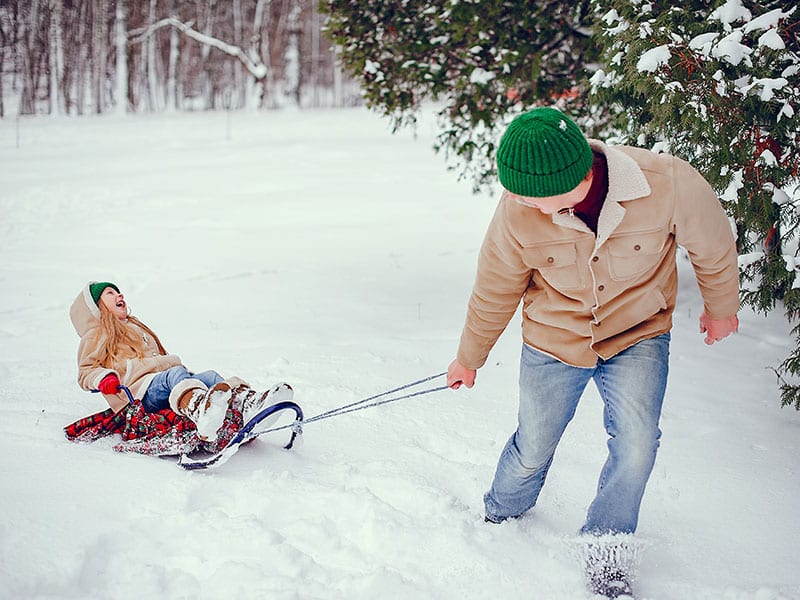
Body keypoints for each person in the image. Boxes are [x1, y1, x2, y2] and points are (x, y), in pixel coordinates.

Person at [446, 108, 739, 597]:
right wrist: (469, 356)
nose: (520, 203)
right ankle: (503, 512)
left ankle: (606, 545)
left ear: (574, 177)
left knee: (637, 444)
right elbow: (495, 288)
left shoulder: (665, 181)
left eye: (531, 195)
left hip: (637, 332)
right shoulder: (518, 210)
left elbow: (712, 244)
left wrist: (721, 307)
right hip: (554, 339)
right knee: (534, 444)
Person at [70, 281, 263, 442]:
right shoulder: (97, 333)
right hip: (137, 393)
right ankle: (200, 413)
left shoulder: (135, 325)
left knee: (210, 376)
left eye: (119, 292)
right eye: (110, 293)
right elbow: (87, 370)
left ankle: (246, 404)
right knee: (175, 374)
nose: (119, 295)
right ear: (97, 307)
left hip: (159, 382)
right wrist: (104, 378)